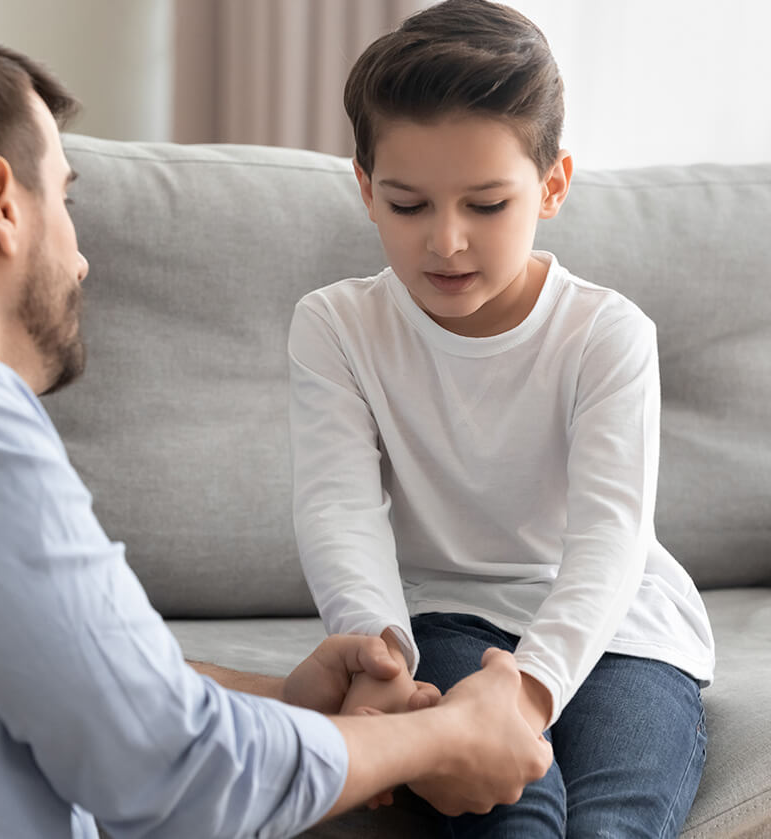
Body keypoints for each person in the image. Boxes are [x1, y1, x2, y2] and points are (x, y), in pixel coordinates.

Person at [0, 24, 553, 839]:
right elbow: (177, 771)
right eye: (63, 197)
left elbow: (76, 680)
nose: (83, 258)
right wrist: (441, 736)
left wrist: (286, 696)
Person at [288, 1, 716, 836]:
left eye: (486, 205)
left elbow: (610, 536)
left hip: (623, 629)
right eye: (408, 206)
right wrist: (380, 654)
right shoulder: (335, 325)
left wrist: (527, 686)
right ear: (366, 190)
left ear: (552, 186)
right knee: (510, 820)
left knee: (614, 823)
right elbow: (338, 510)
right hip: (449, 618)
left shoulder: (609, 334)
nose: (446, 242)